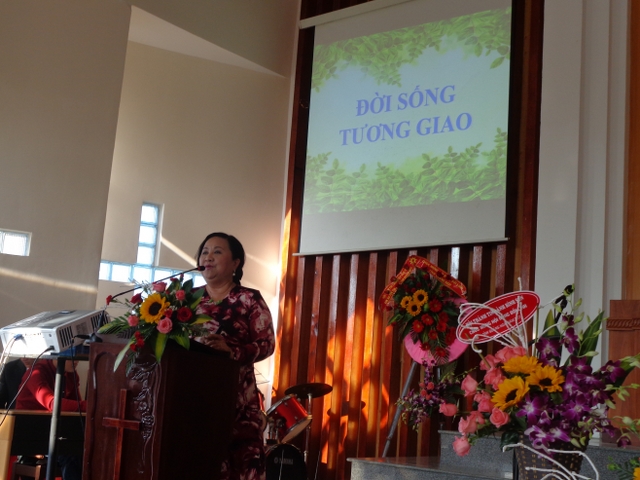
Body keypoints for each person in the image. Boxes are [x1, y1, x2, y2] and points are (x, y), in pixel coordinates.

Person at [194, 232, 276, 480]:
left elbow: (267, 344)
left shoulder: (249, 299)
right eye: (205, 252)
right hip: (194, 404)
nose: (208, 257)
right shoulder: (188, 301)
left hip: (237, 405)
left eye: (217, 252)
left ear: (235, 263)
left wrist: (233, 352)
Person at [16, 359, 85, 480]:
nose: (76, 361)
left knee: (83, 447)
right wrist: (92, 405)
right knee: (71, 451)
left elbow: (78, 409)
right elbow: (52, 403)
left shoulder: (71, 374)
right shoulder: (36, 372)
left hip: (53, 431)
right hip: (29, 435)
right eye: (71, 356)